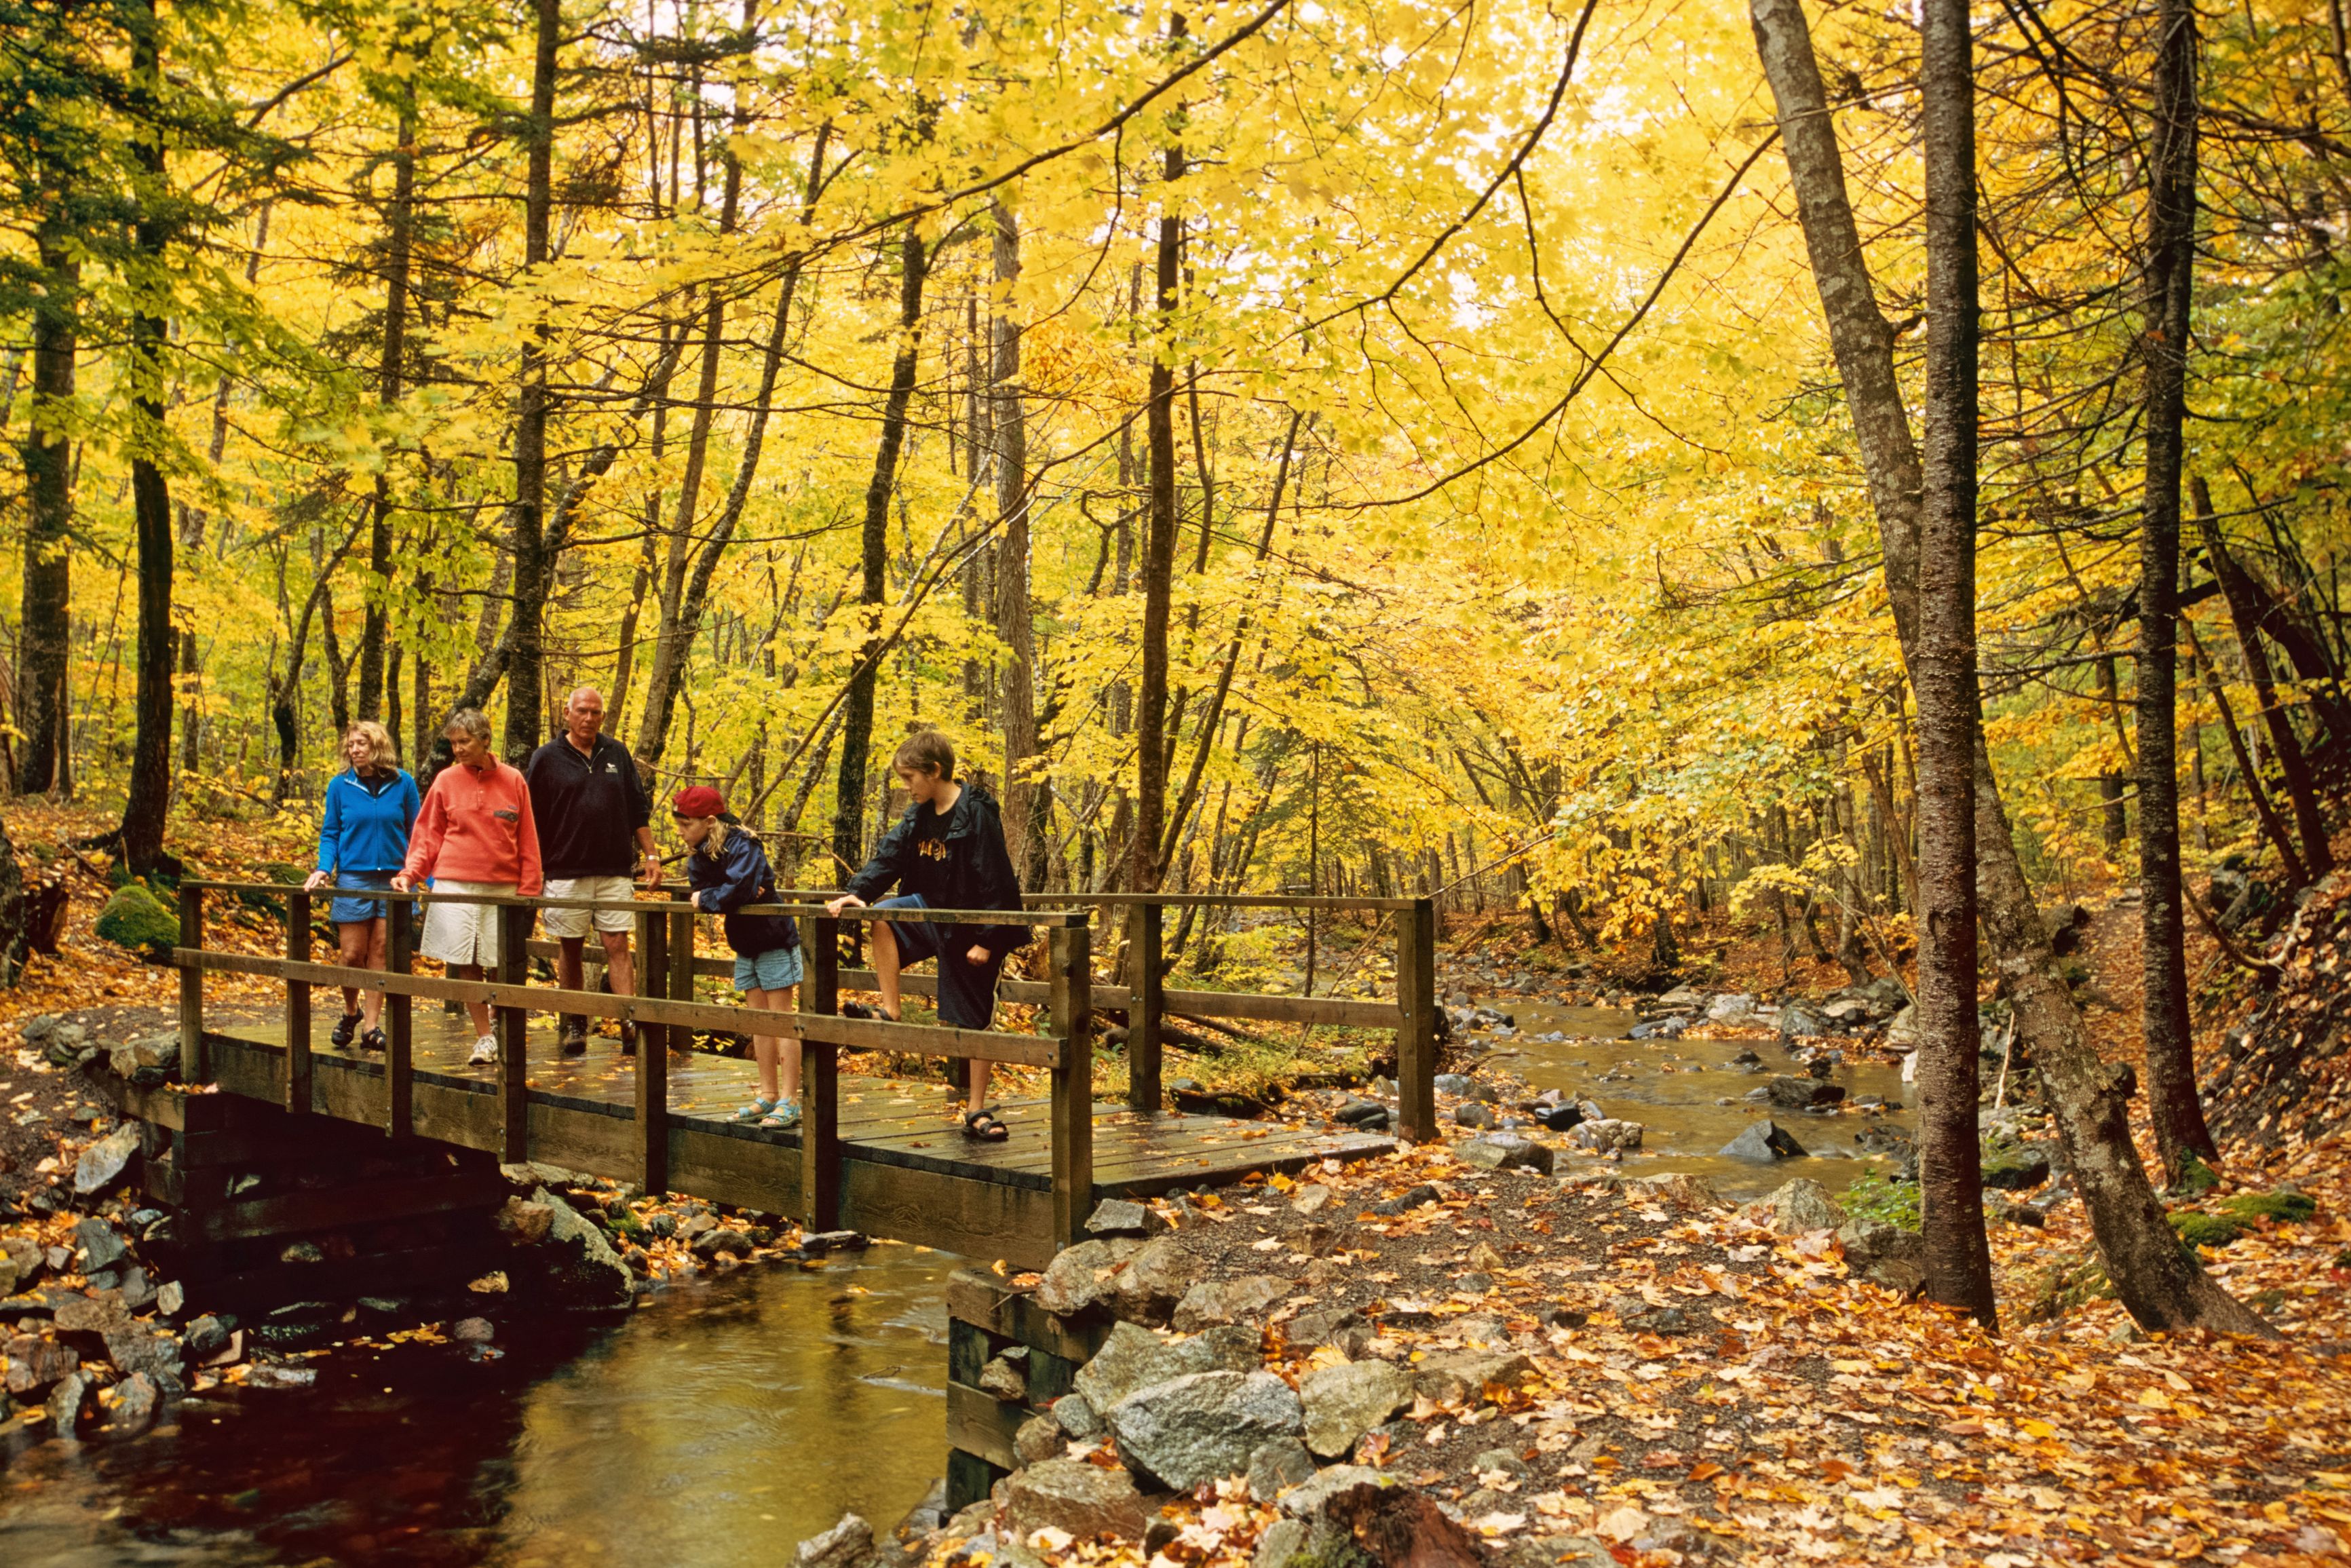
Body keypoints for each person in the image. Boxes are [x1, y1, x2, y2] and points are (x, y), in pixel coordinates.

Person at [826, 729, 1030, 1141]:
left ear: (935, 772)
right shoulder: (918, 815)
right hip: (928, 910)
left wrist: (988, 940)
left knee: (974, 1023)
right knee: (881, 917)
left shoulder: (977, 813)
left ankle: (977, 1110)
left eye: (910, 779)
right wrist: (857, 893)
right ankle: (890, 1009)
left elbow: (998, 880)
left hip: (972, 925)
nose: (906, 789)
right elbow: (891, 854)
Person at [393, 708, 543, 1067]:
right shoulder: (445, 781)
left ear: (485, 740)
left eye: (465, 742)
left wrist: (529, 887)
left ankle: (500, 1022)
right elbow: (427, 834)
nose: (458, 749)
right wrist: (410, 874)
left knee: (502, 963)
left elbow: (528, 838)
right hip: (455, 884)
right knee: (465, 961)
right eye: (453, 743)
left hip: (502, 887)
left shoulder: (513, 780)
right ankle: (485, 1037)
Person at [525, 687, 659, 1056]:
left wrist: (651, 855)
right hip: (565, 870)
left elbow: (637, 809)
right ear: (566, 713)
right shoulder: (546, 758)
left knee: (618, 944)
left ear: (603, 716)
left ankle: (628, 1021)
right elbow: (531, 819)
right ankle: (574, 1023)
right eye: (582, 711)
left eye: (596, 712)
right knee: (571, 947)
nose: (589, 718)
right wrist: (531, 869)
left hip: (614, 868)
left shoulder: (616, 752)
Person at [674, 786, 803, 1128]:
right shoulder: (699, 854)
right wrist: (725, 894)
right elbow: (703, 890)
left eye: (686, 824)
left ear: (710, 821)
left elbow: (737, 890)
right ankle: (768, 1094)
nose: (681, 832)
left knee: (783, 1023)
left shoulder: (744, 844)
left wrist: (720, 895)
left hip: (774, 937)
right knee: (758, 1023)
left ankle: (791, 1099)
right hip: (744, 942)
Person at [303, 721, 421, 1054]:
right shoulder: (340, 786)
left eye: (362, 744)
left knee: (381, 952)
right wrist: (324, 868)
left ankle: (371, 1026)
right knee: (352, 954)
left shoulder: (403, 783)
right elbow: (331, 832)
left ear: (378, 747)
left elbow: (418, 831)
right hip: (354, 877)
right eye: (351, 744)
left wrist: (416, 872)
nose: (355, 750)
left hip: (395, 880)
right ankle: (350, 1012)